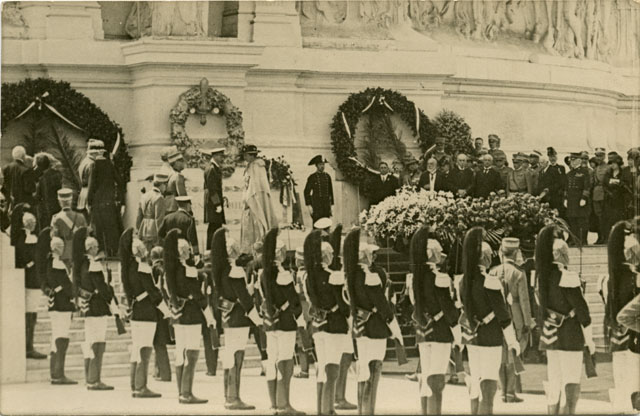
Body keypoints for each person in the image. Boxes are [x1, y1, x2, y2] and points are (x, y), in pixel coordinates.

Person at [460, 227, 520, 415]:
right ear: (485, 258)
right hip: (490, 338)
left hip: (472, 337)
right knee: (488, 383)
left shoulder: (463, 281)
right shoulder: (490, 281)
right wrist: (512, 341)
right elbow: (503, 317)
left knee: (475, 382)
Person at [344, 227, 403, 415]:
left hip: (360, 327)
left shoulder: (353, 275)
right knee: (374, 369)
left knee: (363, 372)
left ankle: (363, 410)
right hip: (375, 328)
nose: (372, 258)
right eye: (369, 254)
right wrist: (393, 325)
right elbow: (381, 304)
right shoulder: (369, 276)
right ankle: (368, 411)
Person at [537, 225, 594, 415]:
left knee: (554, 381)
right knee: (571, 381)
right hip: (570, 335)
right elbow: (583, 312)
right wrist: (590, 340)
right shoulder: (568, 277)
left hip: (551, 335)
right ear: (563, 254)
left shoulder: (542, 277)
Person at [410, 226, 461, 414]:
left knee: (425, 373)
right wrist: (457, 331)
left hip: (423, 329)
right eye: (439, 252)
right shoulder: (440, 278)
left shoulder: (416, 277)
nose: (442, 256)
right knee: (437, 376)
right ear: (431, 255)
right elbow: (447, 307)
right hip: (440, 330)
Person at [211, 227, 261, 410]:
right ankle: (234, 397)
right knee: (236, 356)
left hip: (228, 318)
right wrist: (258, 320)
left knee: (229, 355)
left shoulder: (223, 270)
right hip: (239, 319)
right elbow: (245, 301)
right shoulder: (236, 271)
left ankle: (228, 395)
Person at [303, 230, 351, 415]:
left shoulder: (310, 276)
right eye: (331, 254)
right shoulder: (333, 275)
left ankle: (321, 409)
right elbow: (342, 303)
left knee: (322, 369)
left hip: (318, 325)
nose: (333, 257)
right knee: (332, 369)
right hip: (334, 324)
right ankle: (328, 410)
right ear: (326, 256)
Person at [260, 227, 305, 415]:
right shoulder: (282, 273)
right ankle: (284, 404)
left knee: (272, 361)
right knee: (285, 362)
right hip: (285, 322)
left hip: (270, 322)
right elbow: (293, 300)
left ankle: (274, 404)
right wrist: (299, 316)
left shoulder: (263, 273)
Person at [119, 228, 165, 398]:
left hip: (137, 311)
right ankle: (141, 386)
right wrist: (167, 311)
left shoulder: (130, 267)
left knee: (137, 348)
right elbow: (152, 292)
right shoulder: (142, 267)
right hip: (146, 312)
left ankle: (134, 385)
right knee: (144, 349)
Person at [164, 229, 208, 404]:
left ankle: (181, 391)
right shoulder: (187, 270)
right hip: (191, 313)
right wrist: (208, 313)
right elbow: (196, 293)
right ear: (183, 252)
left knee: (180, 352)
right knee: (192, 352)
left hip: (178, 313)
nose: (190, 252)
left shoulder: (172, 270)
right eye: (188, 250)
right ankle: (187, 392)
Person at [490, 238, 533, 403]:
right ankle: (510, 392)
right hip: (515, 317)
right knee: (514, 352)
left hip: (497, 317)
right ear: (515, 253)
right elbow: (524, 301)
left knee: (501, 355)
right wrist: (527, 322)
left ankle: (502, 391)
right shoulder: (518, 273)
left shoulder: (493, 271)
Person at [72, 228, 115, 390]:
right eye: (95, 247)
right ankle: (94, 380)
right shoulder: (94, 264)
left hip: (88, 308)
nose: (97, 249)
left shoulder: (83, 264)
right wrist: (110, 291)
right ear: (90, 249)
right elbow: (101, 288)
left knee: (89, 341)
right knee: (98, 342)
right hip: (98, 307)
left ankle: (89, 378)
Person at [606, 221, 640, 411]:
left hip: (618, 332)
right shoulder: (633, 276)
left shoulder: (612, 275)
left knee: (621, 377)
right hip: (632, 333)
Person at [37, 232, 77, 385]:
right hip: (62, 304)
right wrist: (74, 293)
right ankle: (59, 374)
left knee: (56, 338)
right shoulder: (56, 264)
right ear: (57, 248)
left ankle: (55, 373)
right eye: (61, 246)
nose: (62, 248)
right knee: (61, 337)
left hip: (56, 304)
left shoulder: (50, 262)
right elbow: (65, 285)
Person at [326, 224, 358, 411]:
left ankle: (339, 395)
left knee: (345, 358)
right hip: (341, 320)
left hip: (345, 319)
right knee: (343, 358)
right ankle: (338, 397)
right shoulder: (335, 271)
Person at [13, 208, 47, 359]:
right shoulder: (22, 239)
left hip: (35, 280)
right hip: (28, 279)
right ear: (25, 223)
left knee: (33, 313)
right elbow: (23, 258)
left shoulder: (33, 237)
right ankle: (27, 347)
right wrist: (32, 263)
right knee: (29, 312)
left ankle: (29, 345)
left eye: (34, 222)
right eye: (31, 222)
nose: (34, 224)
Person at [241, 144, 279, 254]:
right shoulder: (250, 166)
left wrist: (249, 198)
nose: (244, 157)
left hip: (255, 200)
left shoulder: (257, 166)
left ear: (251, 155)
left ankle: (258, 249)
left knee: (257, 223)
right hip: (250, 198)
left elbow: (256, 186)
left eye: (246, 155)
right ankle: (250, 251)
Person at [87, 149, 123, 256]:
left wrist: (89, 201)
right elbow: (120, 182)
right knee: (110, 227)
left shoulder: (94, 165)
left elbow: (91, 185)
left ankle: (102, 250)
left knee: (99, 228)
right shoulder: (110, 165)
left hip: (98, 202)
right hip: (110, 201)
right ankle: (112, 251)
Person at [150, 246, 173, 382]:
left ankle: (165, 373)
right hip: (167, 306)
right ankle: (158, 371)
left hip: (158, 308)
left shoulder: (154, 270)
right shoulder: (167, 269)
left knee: (158, 342)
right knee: (159, 340)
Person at [51, 188, 87, 268]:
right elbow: (86, 235)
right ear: (71, 201)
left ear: (59, 202)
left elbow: (54, 238)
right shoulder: (81, 217)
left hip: (64, 255)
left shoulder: (56, 218)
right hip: (79, 254)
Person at [136, 173, 168, 251]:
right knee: (156, 253)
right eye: (165, 185)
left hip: (143, 228)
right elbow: (159, 219)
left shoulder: (144, 196)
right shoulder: (159, 198)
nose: (166, 187)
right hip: (154, 230)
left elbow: (139, 215)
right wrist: (162, 235)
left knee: (145, 253)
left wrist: (138, 228)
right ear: (162, 185)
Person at [564, 152, 591, 246]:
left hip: (580, 199)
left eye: (574, 160)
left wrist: (584, 197)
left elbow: (587, 186)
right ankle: (574, 239)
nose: (572, 162)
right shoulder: (569, 173)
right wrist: (565, 198)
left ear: (579, 160)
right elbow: (566, 188)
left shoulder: (584, 172)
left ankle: (583, 240)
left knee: (582, 220)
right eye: (571, 160)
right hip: (571, 199)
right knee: (572, 220)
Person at [203, 148, 226, 249]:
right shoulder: (212, 169)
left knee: (215, 226)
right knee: (214, 227)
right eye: (220, 156)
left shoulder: (213, 167)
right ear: (215, 156)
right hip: (213, 203)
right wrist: (217, 204)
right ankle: (212, 250)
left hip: (213, 201)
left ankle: (214, 250)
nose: (222, 158)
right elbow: (212, 189)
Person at [2, 145, 36, 210]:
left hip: (10, 204)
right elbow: (30, 189)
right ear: (23, 156)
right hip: (23, 205)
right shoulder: (26, 170)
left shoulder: (6, 169)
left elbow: (4, 187)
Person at [603, 155, 629, 241]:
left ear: (618, 163)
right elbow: (604, 184)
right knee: (609, 218)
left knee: (619, 218)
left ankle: (619, 238)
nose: (612, 165)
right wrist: (609, 192)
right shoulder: (608, 173)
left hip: (620, 199)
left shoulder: (623, 173)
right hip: (609, 199)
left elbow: (625, 185)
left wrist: (619, 185)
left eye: (614, 163)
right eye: (611, 163)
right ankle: (609, 238)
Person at [33, 154, 61, 229]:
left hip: (47, 209)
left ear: (40, 167)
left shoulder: (42, 179)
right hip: (58, 206)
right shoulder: (57, 174)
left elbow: (37, 196)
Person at [304, 155, 334, 223]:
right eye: (320, 164)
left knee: (326, 224)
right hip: (317, 206)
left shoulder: (327, 176)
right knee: (317, 224)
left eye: (323, 164)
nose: (322, 166)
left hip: (326, 206)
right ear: (316, 165)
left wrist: (332, 206)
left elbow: (331, 192)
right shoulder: (312, 177)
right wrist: (309, 206)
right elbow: (306, 192)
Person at [77, 139, 103, 215]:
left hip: (83, 193)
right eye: (100, 153)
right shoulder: (92, 164)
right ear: (95, 153)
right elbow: (91, 183)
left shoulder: (84, 161)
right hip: (89, 194)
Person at [538, 152, 566, 218]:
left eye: (553, 156)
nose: (552, 159)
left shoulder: (559, 168)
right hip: (545, 197)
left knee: (556, 215)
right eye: (550, 157)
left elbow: (561, 183)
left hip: (555, 196)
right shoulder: (543, 171)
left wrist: (549, 189)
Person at [592, 148, 608, 244]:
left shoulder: (608, 167)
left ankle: (605, 237)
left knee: (604, 216)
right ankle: (600, 237)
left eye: (600, 156)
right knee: (598, 217)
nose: (598, 158)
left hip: (605, 194)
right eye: (597, 156)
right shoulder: (596, 168)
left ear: (604, 156)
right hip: (596, 194)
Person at [165, 150, 188, 214]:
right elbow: (182, 195)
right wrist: (188, 209)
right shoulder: (178, 176)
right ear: (176, 162)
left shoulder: (171, 173)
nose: (184, 162)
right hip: (175, 207)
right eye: (181, 161)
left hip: (167, 206)